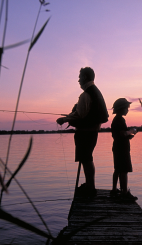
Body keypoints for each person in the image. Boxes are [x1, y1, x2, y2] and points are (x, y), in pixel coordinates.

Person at [56, 67, 109, 198]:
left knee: (86, 159)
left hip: (86, 133)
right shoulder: (95, 92)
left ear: (85, 77)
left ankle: (91, 188)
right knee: (87, 158)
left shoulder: (87, 94)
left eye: (80, 77)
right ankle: (90, 185)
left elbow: (79, 115)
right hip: (91, 132)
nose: (78, 80)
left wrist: (64, 119)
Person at [110, 98, 138, 201]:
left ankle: (114, 190)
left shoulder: (116, 119)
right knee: (124, 170)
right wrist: (132, 131)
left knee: (117, 169)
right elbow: (123, 133)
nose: (128, 110)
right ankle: (124, 193)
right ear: (121, 109)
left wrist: (128, 136)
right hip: (122, 148)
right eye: (127, 108)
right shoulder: (120, 119)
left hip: (117, 146)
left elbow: (119, 134)